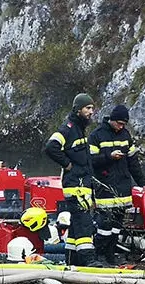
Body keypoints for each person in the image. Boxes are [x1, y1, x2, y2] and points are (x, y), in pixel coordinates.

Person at [45, 93, 101, 267]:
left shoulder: (79, 129)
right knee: (84, 223)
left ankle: (72, 259)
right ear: (78, 110)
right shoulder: (68, 129)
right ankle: (88, 260)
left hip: (82, 185)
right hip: (75, 187)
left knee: (76, 226)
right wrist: (67, 164)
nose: (91, 112)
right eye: (88, 108)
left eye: (92, 108)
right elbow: (51, 147)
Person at [89, 104, 145, 265]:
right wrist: (109, 157)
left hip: (123, 189)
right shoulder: (96, 135)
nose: (121, 127)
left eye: (124, 124)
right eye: (119, 123)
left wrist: (143, 183)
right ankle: (99, 256)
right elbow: (90, 161)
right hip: (105, 188)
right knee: (104, 226)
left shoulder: (125, 135)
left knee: (117, 226)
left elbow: (133, 163)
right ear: (112, 120)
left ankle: (111, 255)